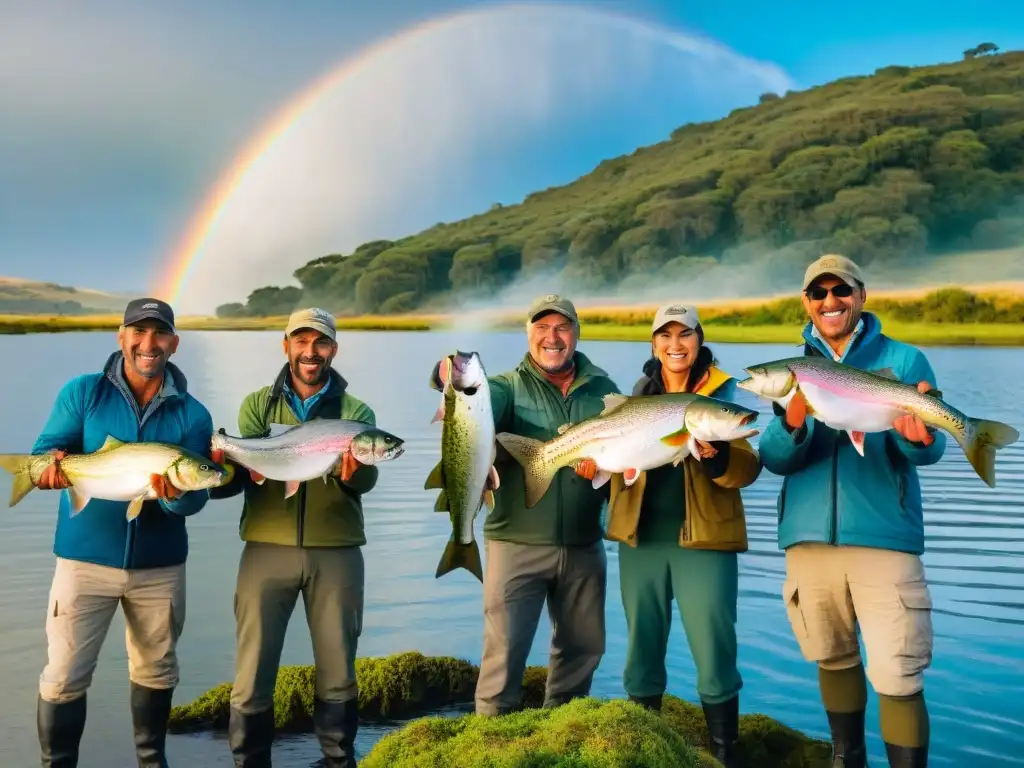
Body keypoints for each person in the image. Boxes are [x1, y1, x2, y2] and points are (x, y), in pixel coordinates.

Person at [758, 254, 945, 768]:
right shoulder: (793, 370)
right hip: (808, 544)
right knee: (832, 658)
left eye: (841, 291)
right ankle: (847, 759)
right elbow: (774, 458)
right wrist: (791, 424)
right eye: (819, 293)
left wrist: (918, 437)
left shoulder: (904, 361)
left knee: (898, 672)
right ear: (807, 303)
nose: (830, 302)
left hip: (885, 540)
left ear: (861, 295)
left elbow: (928, 453)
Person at [30, 297, 215, 768]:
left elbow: (196, 497)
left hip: (161, 568)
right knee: (63, 675)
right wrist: (44, 470)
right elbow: (45, 452)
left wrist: (174, 494)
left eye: (159, 334)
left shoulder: (193, 415)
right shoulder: (84, 392)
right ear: (122, 336)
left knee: (157, 671)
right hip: (83, 563)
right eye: (138, 332)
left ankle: (152, 761)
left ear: (174, 343)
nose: (147, 344)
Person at [429, 294, 621, 716]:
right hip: (516, 545)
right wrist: (445, 377)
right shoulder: (501, 388)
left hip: (586, 545)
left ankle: (564, 733)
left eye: (562, 327)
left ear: (575, 333)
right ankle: (490, 744)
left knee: (583, 650)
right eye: (542, 327)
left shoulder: (605, 389)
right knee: (503, 655)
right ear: (528, 334)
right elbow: (473, 402)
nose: (552, 337)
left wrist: (606, 470)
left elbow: (623, 459)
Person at [209, 308, 379, 768]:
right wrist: (224, 464)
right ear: (285, 346)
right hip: (265, 550)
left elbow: (365, 485)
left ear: (333, 350)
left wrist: (353, 473)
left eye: (320, 342)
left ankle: (338, 759)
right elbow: (242, 477)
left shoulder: (356, 414)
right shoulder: (258, 405)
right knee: (253, 669)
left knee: (340, 667)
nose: (311, 352)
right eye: (301, 341)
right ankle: (249, 760)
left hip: (338, 552)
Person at [604, 304, 760, 768]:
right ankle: (642, 750)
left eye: (685, 334)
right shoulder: (635, 396)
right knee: (641, 648)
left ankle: (723, 754)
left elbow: (749, 467)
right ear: (653, 344)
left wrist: (716, 460)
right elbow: (619, 471)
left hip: (706, 543)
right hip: (641, 540)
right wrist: (597, 466)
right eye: (665, 335)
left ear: (699, 339)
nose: (676, 344)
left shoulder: (725, 394)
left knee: (714, 650)